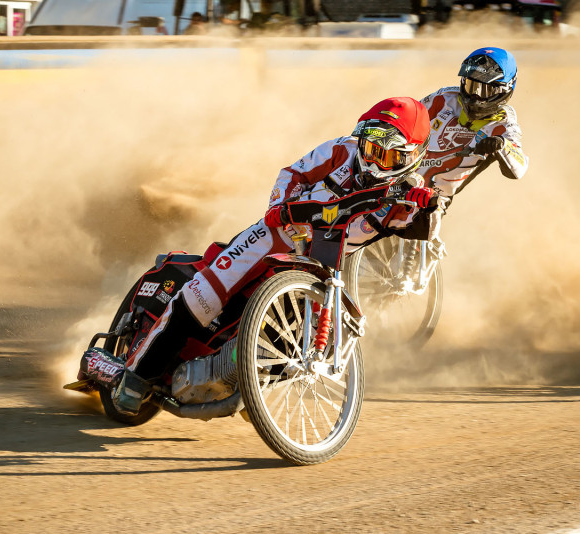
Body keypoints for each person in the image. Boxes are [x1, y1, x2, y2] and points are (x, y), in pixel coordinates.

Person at [106, 97, 438, 415]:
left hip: (322, 264)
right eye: (369, 148)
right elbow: (292, 174)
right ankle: (134, 378)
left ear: (413, 156)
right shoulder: (341, 149)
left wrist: (430, 205)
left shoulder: (408, 195)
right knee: (200, 298)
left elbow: (421, 232)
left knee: (300, 339)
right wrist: (279, 209)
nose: (373, 161)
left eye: (387, 156)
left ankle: (254, 387)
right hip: (274, 236)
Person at [416, 47, 529, 244]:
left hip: (436, 195)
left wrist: (501, 145)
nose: (475, 95)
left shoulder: (504, 123)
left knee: (422, 226)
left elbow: (519, 167)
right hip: (403, 174)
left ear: (504, 89)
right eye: (471, 86)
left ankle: (418, 265)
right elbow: (411, 114)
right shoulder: (444, 98)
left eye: (484, 90)